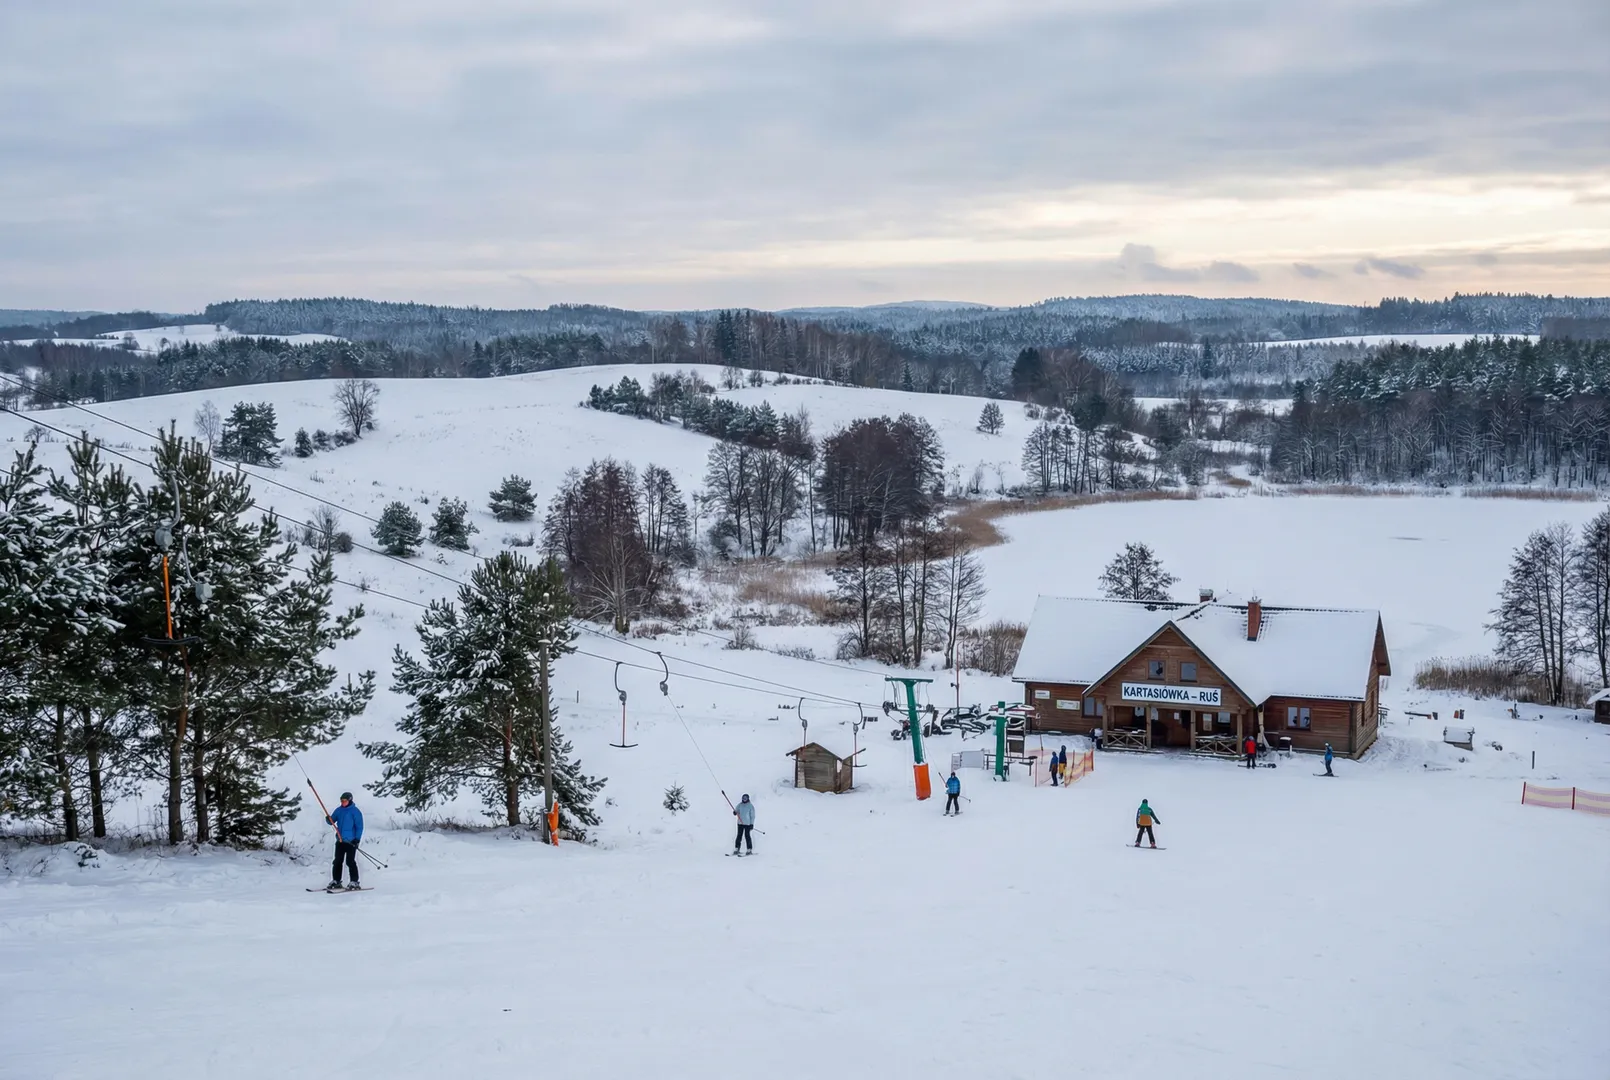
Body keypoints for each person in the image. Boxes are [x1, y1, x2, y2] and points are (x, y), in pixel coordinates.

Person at [327, 791, 363, 890]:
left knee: (350, 861)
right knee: (337, 861)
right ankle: (336, 880)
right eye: (341, 801)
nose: (343, 803)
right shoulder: (339, 810)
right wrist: (329, 819)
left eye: (345, 801)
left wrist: (357, 839)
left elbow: (359, 827)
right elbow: (332, 821)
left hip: (351, 841)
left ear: (350, 800)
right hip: (340, 840)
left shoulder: (355, 812)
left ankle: (354, 881)